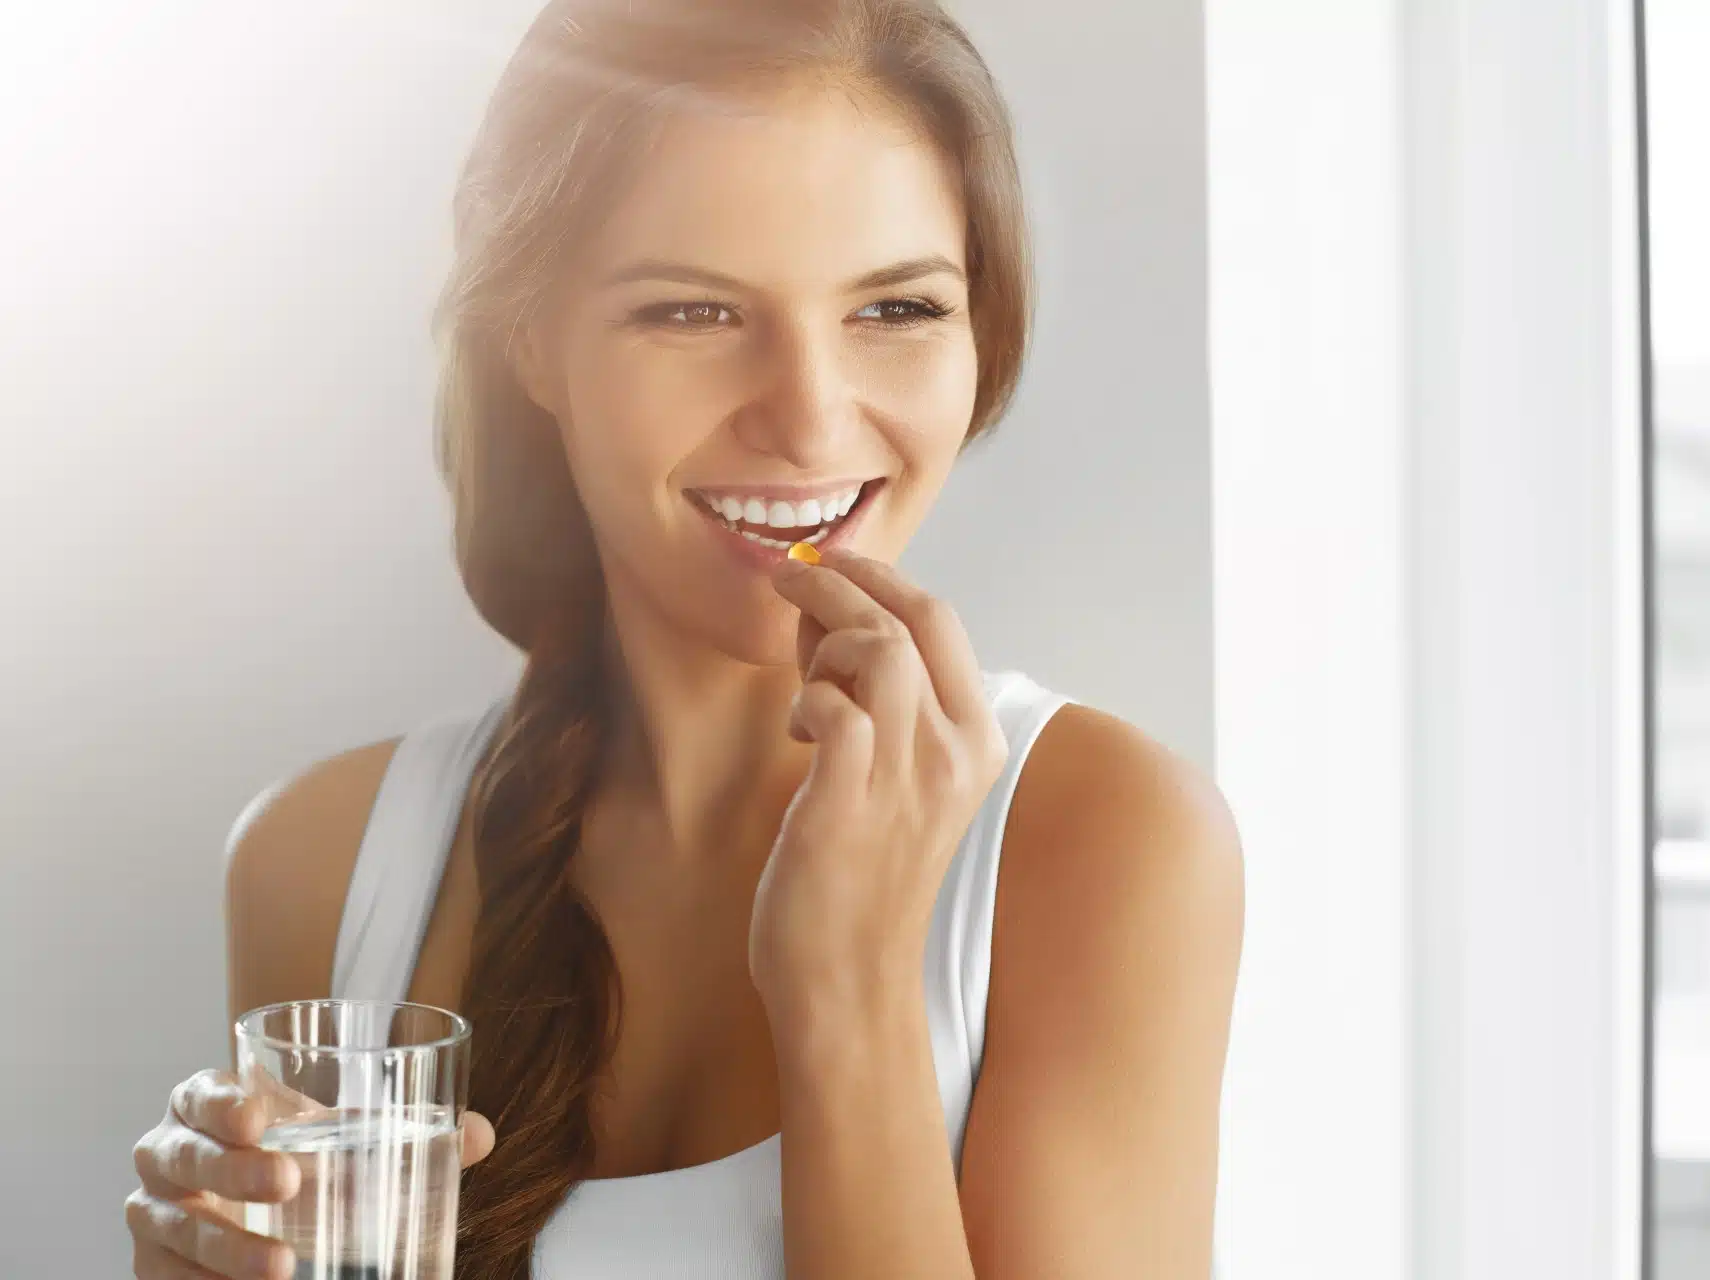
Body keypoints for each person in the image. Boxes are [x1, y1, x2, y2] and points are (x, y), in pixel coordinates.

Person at [124, 1, 1243, 1275]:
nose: (813, 423)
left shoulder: (1101, 843)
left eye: (896, 309)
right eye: (695, 314)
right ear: (532, 341)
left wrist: (847, 986)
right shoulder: (322, 862)